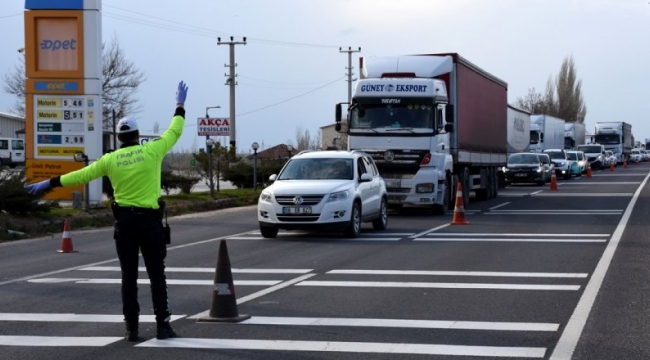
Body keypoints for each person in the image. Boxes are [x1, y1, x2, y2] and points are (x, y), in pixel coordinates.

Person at [25, 80, 189, 342]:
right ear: (137, 135)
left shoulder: (109, 160)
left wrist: (48, 183)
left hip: (124, 224)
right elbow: (175, 130)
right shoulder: (153, 150)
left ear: (118, 137)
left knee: (128, 277)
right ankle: (163, 326)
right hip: (149, 222)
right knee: (157, 275)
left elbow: (79, 175)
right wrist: (179, 105)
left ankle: (131, 329)